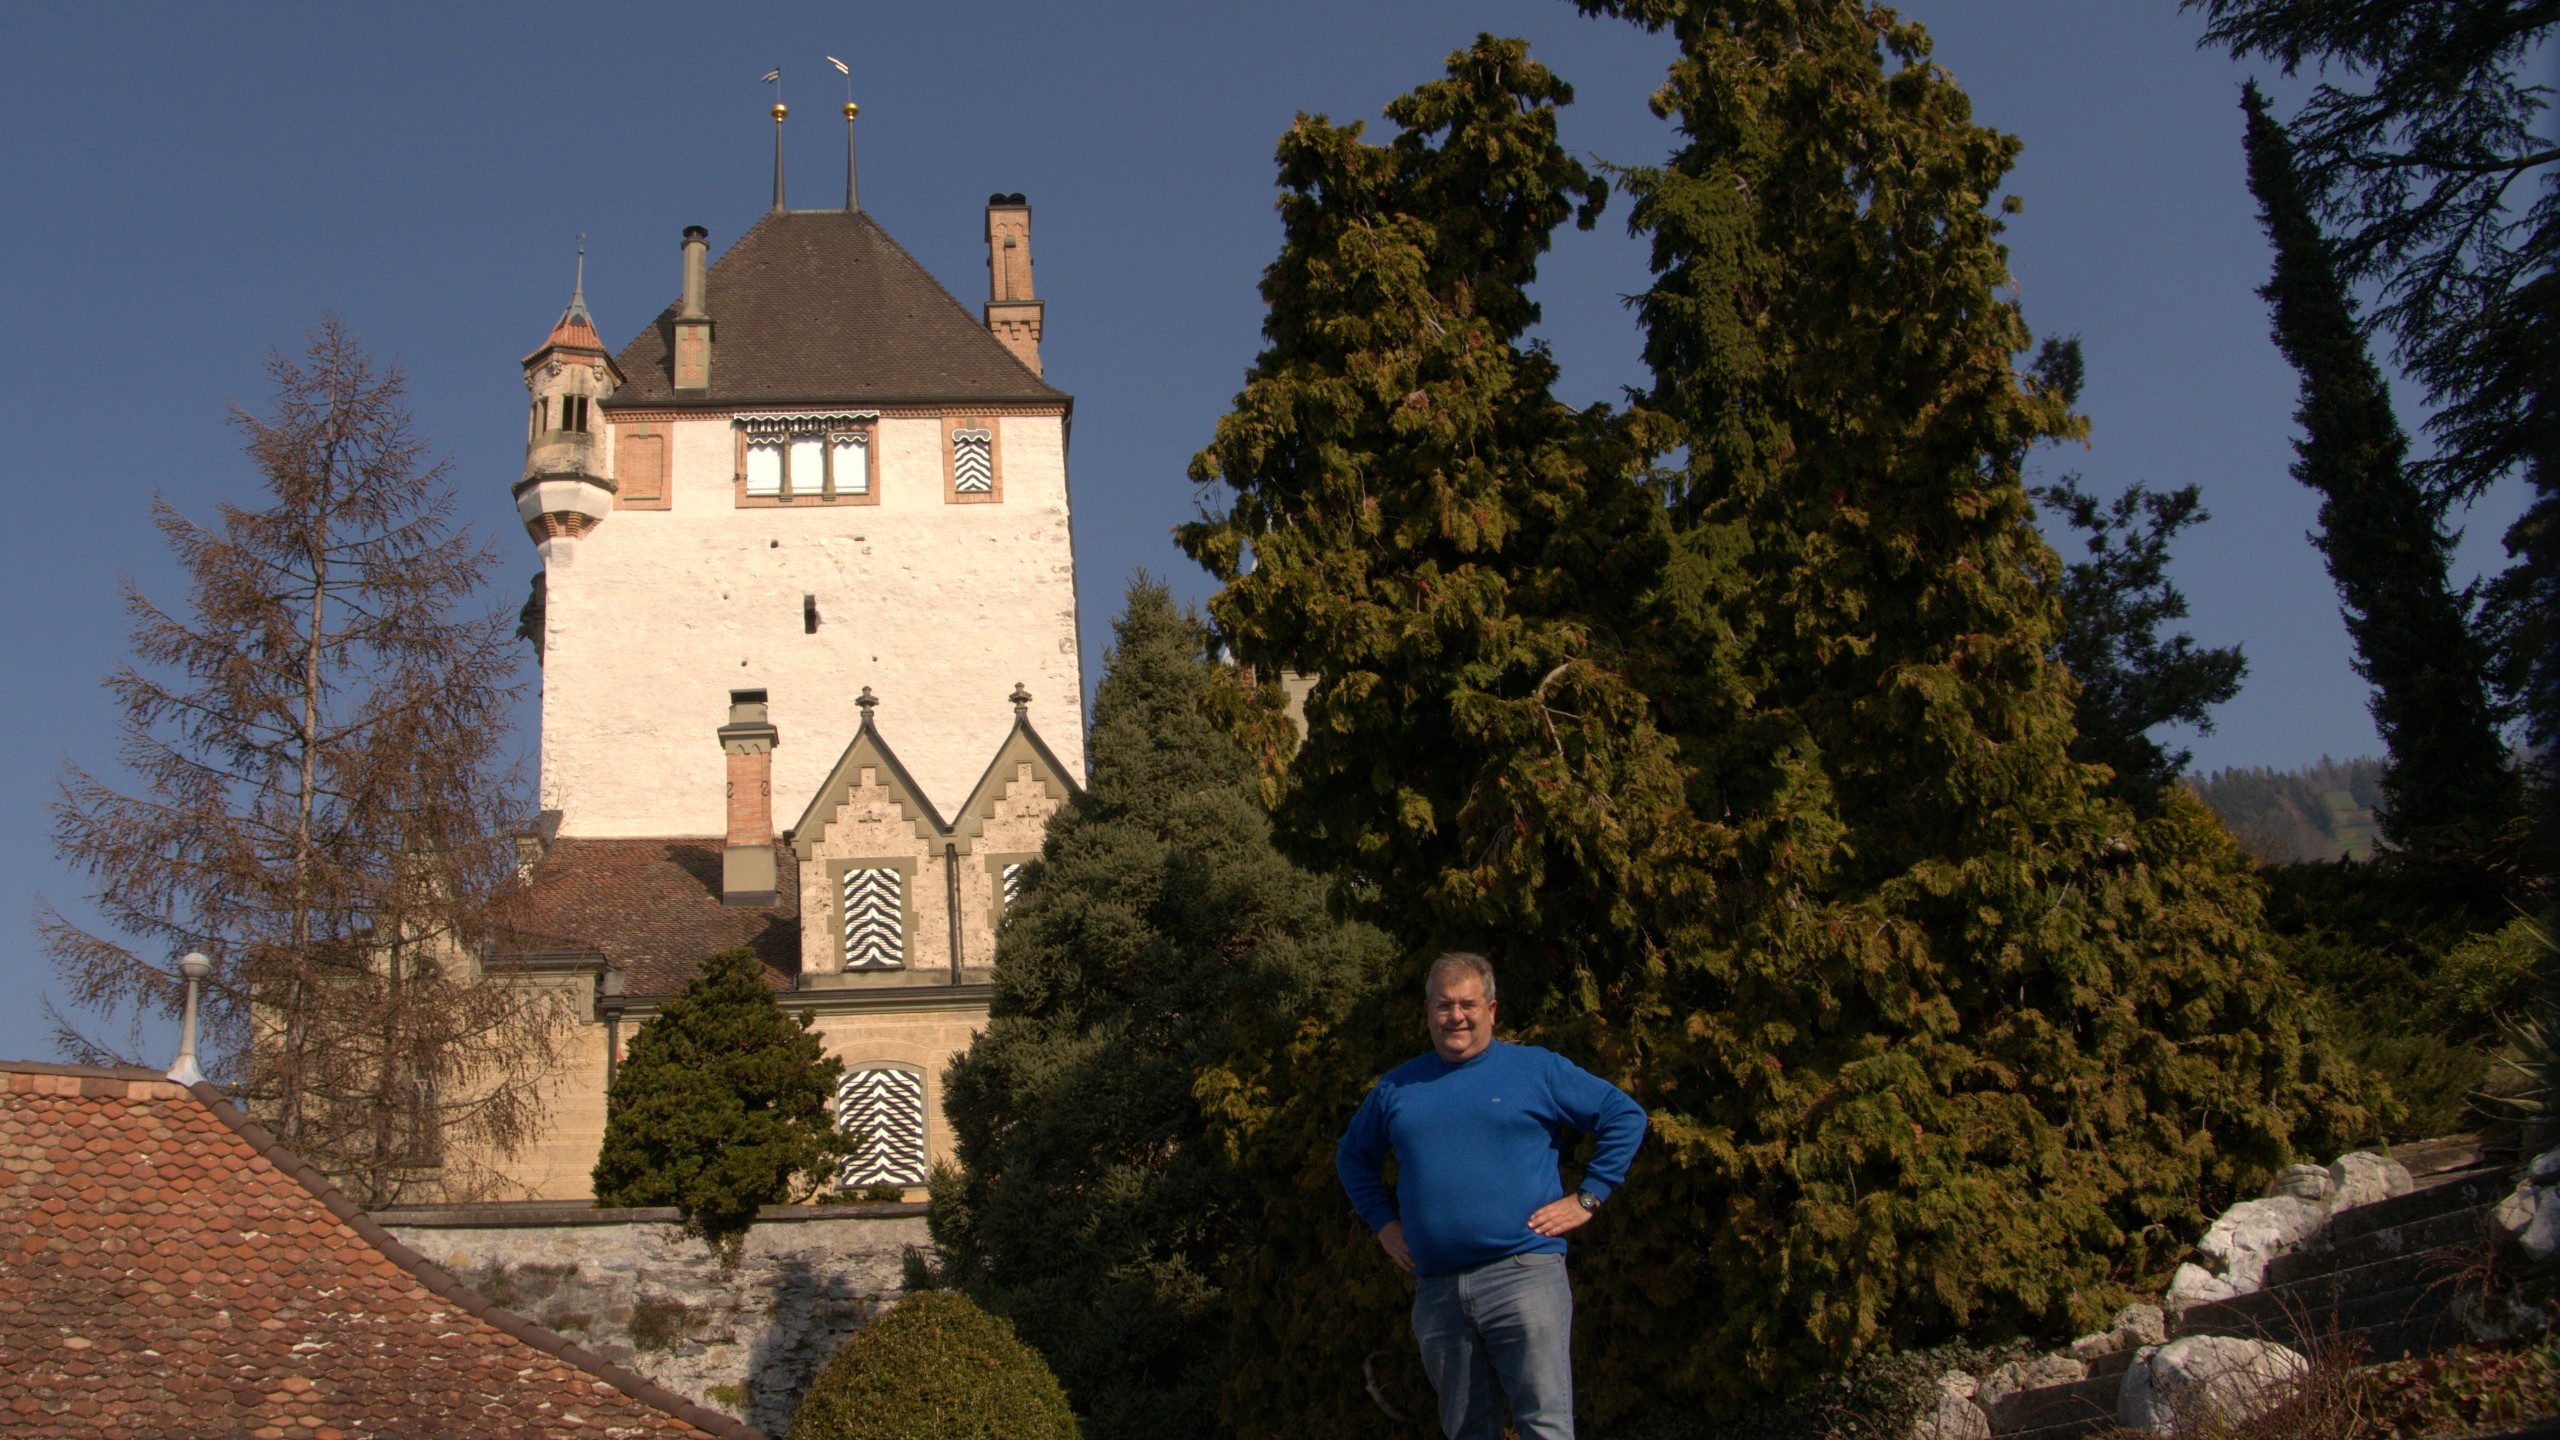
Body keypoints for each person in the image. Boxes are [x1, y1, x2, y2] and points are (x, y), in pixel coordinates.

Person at [1337, 951, 1647, 1440]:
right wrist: (1383, 1223)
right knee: (1466, 1431)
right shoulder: (1397, 1087)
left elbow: (1624, 1115)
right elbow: (1353, 1156)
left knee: (1544, 1425)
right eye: (1444, 1005)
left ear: (1492, 1010)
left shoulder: (1536, 1070)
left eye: (1468, 1004)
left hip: (1524, 1276)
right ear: (1428, 1012)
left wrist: (1589, 1197)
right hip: (1439, 1288)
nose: (1455, 1016)